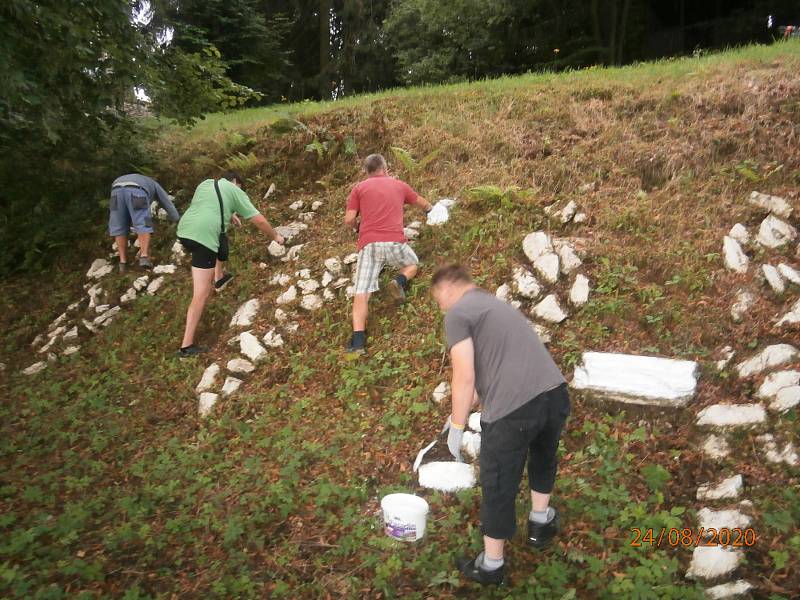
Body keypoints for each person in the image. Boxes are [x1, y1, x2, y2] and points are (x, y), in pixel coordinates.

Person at [430, 264, 571, 586]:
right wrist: (464, 408)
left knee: (497, 482)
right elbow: (488, 375)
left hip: (513, 412)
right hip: (553, 394)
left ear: (449, 288)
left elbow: (464, 376)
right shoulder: (496, 305)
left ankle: (492, 566)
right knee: (543, 456)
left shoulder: (458, 313)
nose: (441, 307)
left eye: (439, 298)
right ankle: (540, 522)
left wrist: (456, 427)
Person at [176, 171, 284, 358]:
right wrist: (275, 236)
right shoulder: (235, 190)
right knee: (201, 292)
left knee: (218, 240)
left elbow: (206, 207)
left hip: (185, 231)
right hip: (204, 236)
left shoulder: (205, 183)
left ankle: (219, 277)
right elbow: (258, 220)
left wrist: (229, 214)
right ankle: (186, 346)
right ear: (235, 182)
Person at [343, 154, 433, 353]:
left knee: (361, 293)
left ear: (367, 172)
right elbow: (421, 202)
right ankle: (399, 281)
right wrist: (431, 210)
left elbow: (348, 219)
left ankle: (358, 342)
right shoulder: (399, 185)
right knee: (413, 264)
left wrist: (358, 227)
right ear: (385, 168)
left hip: (369, 246)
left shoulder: (359, 188)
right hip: (394, 242)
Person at [109, 173, 180, 272]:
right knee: (143, 222)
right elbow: (166, 202)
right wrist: (177, 219)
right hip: (136, 191)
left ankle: (123, 263)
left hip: (115, 191)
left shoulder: (138, 179)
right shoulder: (154, 184)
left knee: (118, 226)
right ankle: (144, 257)